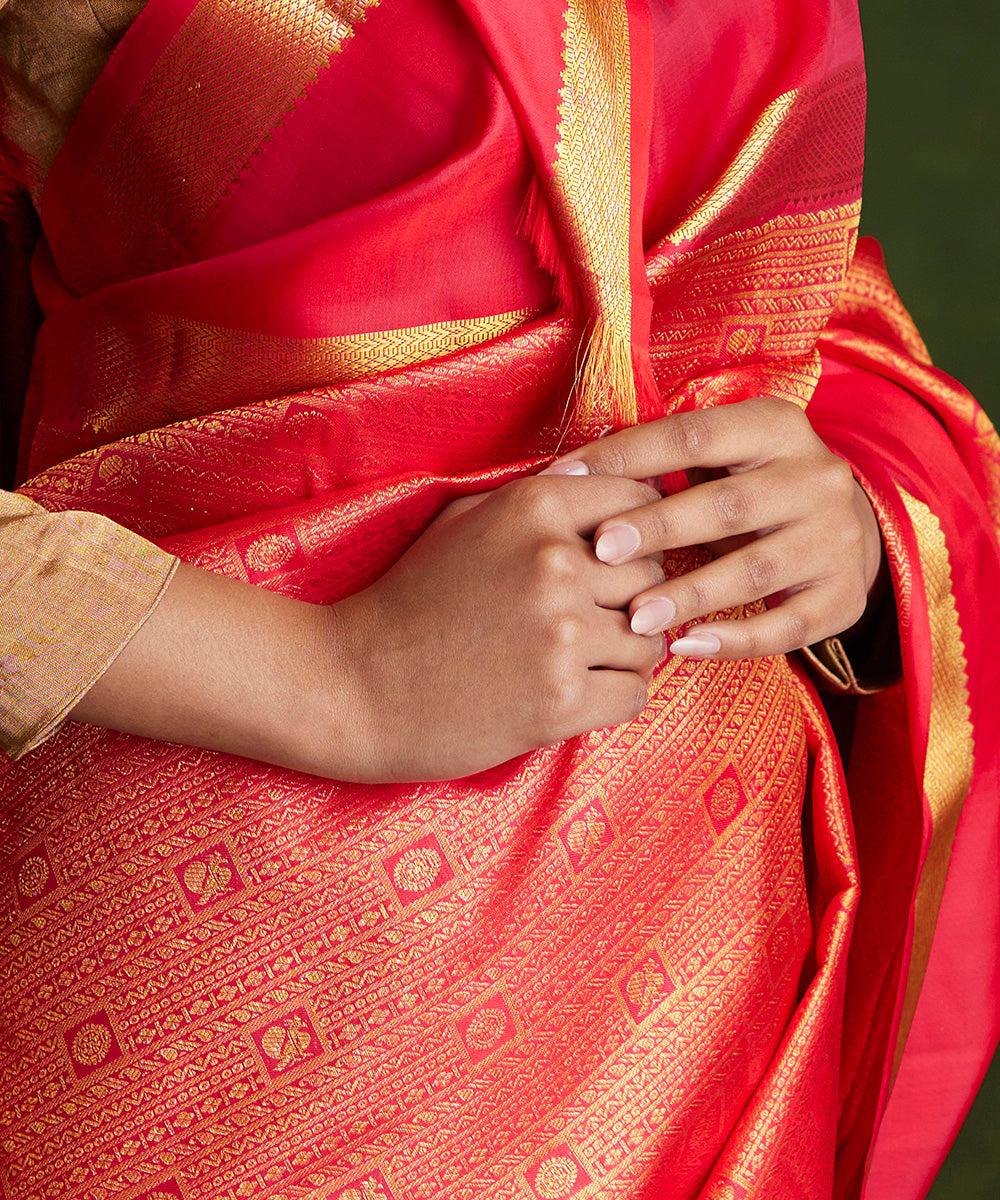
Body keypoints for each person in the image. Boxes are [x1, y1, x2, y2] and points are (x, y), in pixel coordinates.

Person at [0, 2, 997, 1197]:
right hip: (220, 953)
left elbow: (749, 284)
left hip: (688, 945)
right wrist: (337, 678)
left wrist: (849, 524)